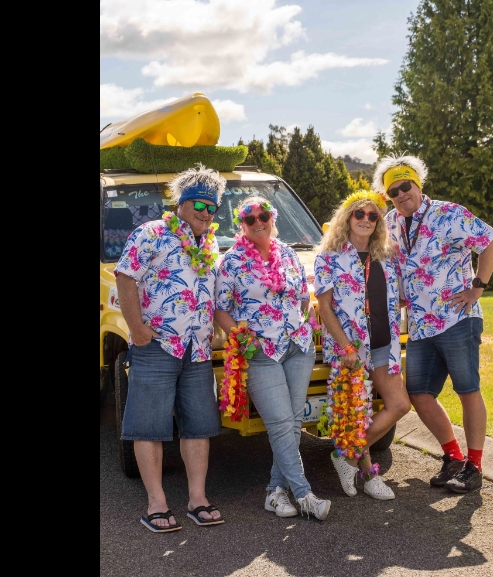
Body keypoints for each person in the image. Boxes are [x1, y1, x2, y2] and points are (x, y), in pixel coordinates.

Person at [371, 153, 493, 494]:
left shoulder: (449, 213)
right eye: (394, 191)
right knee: (419, 394)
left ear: (418, 184)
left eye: (406, 186)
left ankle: (474, 466)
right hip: (420, 326)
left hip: (457, 318)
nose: (401, 194)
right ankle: (453, 457)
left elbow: (491, 240)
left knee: (467, 390)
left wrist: (478, 287)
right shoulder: (391, 222)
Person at [114, 163, 227, 532]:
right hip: (157, 345)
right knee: (148, 426)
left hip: (198, 350)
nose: (205, 213)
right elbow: (125, 277)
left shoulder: (210, 243)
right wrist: (137, 329)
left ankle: (197, 499)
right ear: (181, 203)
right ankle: (156, 504)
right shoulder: (152, 233)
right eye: (199, 204)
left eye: (212, 207)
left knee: (199, 426)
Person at [214, 195, 331, 521]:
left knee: (292, 423)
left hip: (298, 347)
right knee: (280, 423)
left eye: (263, 215)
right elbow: (220, 309)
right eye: (250, 218)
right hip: (261, 352)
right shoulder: (232, 261)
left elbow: (304, 297)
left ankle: (275, 491)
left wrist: (305, 321)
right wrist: (242, 338)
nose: (258, 222)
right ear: (242, 224)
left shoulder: (289, 254)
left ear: (272, 217)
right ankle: (305, 495)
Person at [313, 190, 411, 500]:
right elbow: (324, 307)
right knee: (357, 415)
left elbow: (401, 296)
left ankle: (346, 457)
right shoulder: (328, 257)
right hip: (351, 348)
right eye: (360, 214)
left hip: (383, 344)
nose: (366, 220)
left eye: (373, 215)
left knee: (400, 405)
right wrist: (346, 347)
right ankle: (369, 476)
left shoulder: (388, 256)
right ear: (347, 217)